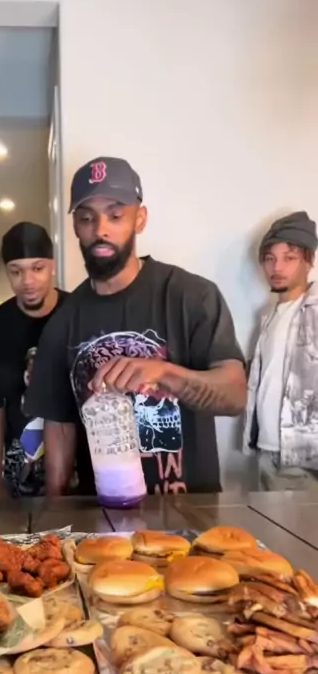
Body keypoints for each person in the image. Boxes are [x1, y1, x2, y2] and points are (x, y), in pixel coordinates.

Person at [25, 156, 246, 496]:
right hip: (101, 515)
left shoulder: (191, 296)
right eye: (87, 218)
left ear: (139, 219)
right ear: (76, 227)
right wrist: (55, 511)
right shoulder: (63, 322)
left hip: (191, 511)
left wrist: (163, 373)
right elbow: (60, 427)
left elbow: (235, 396)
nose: (100, 230)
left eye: (115, 215)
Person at [0, 222, 68, 497]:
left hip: (86, 476)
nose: (27, 281)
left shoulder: (78, 314)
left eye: (37, 268)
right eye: (16, 271)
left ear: (52, 266)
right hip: (20, 479)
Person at [243, 211, 318, 490]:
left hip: (306, 457)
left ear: (309, 260)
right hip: (266, 448)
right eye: (270, 258)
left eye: (289, 258)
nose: (277, 267)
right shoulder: (268, 317)